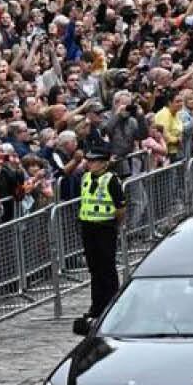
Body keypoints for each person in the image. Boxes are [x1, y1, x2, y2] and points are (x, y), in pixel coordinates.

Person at [75, 136, 125, 330]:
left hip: (105, 227)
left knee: (108, 269)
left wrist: (115, 224)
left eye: (94, 161)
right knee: (94, 269)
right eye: (89, 161)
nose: (90, 164)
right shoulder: (86, 178)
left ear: (104, 163)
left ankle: (112, 305)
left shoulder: (111, 179)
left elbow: (120, 207)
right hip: (88, 227)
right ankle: (96, 306)